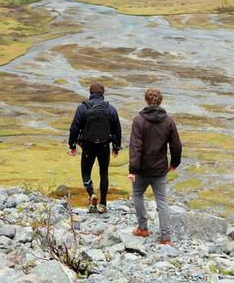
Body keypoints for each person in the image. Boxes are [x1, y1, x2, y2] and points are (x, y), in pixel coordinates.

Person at [128, 87, 182, 244]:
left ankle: (143, 229)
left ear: (146, 100)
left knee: (138, 195)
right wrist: (174, 163)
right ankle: (165, 237)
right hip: (160, 169)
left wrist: (133, 169)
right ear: (161, 101)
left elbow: (135, 147)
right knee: (162, 201)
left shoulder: (139, 120)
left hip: (142, 169)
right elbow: (176, 146)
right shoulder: (168, 121)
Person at [68, 81, 122, 214]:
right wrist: (116, 147)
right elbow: (117, 130)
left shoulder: (82, 108)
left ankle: (91, 194)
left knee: (86, 173)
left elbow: (74, 127)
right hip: (104, 146)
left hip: (87, 146)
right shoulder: (111, 109)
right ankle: (103, 204)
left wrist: (72, 145)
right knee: (104, 173)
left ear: (90, 93)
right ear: (103, 94)